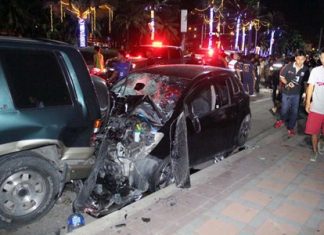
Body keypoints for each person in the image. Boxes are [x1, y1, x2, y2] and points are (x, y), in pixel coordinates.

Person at [274, 50, 309, 137]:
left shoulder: (306, 69)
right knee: (284, 109)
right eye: (298, 59)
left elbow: (306, 82)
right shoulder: (288, 66)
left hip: (297, 94)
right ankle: (281, 119)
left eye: (302, 59)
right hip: (286, 92)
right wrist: (287, 83)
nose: (300, 61)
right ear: (295, 58)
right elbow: (281, 77)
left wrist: (305, 93)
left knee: (294, 111)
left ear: (305, 59)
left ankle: (291, 127)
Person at [304, 48, 324, 161]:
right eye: (322, 57)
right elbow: (310, 86)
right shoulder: (316, 71)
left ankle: (321, 143)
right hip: (316, 107)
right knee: (314, 132)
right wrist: (307, 102)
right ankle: (315, 151)